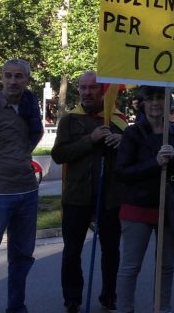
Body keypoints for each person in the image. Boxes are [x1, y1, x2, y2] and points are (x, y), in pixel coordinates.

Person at [51, 72, 127, 312]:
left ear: (102, 90)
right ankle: (72, 298)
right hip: (77, 195)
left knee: (110, 250)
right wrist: (90, 139)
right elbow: (59, 154)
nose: (86, 92)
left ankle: (109, 295)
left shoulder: (117, 120)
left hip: (109, 195)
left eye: (92, 88)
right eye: (83, 87)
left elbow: (130, 155)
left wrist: (122, 141)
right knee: (72, 251)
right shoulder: (70, 120)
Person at [115, 86, 174, 313]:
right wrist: (155, 163)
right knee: (131, 266)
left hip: (169, 208)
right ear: (142, 104)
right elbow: (122, 172)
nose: (156, 103)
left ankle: (163, 308)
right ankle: (125, 309)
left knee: (166, 265)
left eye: (160, 97)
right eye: (150, 99)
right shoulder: (133, 133)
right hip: (138, 207)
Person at [0, 59, 43, 313]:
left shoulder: (30, 103)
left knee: (22, 257)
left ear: (27, 80)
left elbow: (36, 133)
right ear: (1, 77)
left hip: (27, 191)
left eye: (18, 76)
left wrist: (21, 155)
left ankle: (16, 307)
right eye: (8, 75)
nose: (13, 81)